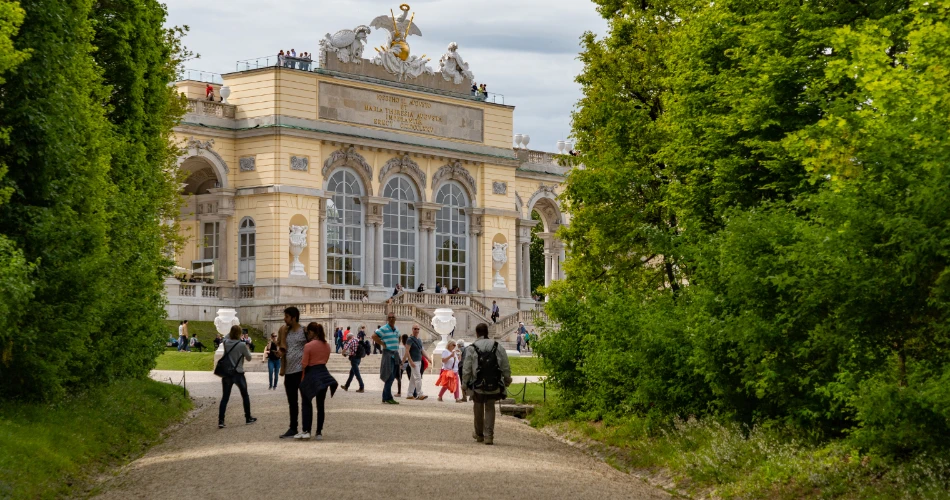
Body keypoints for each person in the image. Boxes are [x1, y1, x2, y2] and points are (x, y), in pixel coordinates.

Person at [463, 323, 512, 444]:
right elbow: (505, 365)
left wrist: (464, 383)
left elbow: (467, 368)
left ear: (477, 333)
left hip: (478, 383)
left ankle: (479, 434)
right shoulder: (497, 347)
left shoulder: (472, 348)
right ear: (487, 333)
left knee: (478, 407)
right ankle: (489, 435)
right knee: (490, 407)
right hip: (494, 382)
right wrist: (507, 379)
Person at [296, 323, 337, 440]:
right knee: (320, 405)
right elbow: (325, 360)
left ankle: (306, 430)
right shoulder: (327, 346)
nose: (308, 335)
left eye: (308, 332)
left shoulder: (308, 346)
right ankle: (319, 432)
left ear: (312, 332)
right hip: (323, 374)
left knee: (306, 402)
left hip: (311, 373)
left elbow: (304, 364)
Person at [277, 306, 307, 439]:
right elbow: (283, 347)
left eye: (287, 317)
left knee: (305, 400)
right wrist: (280, 352)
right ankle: (293, 427)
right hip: (288, 371)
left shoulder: (304, 332)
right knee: (292, 401)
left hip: (301, 371)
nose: (284, 319)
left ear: (294, 318)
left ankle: (306, 428)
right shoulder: (284, 331)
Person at [218, 325, 257, 429]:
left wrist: (231, 332)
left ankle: (221, 420)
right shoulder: (242, 345)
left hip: (227, 373)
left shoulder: (226, 342)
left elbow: (225, 337)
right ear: (240, 334)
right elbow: (249, 358)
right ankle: (248, 417)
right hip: (238, 373)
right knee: (245, 395)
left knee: (225, 397)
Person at [372, 311, 401, 404]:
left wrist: (396, 344)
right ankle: (388, 397)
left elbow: (399, 337)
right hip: (388, 354)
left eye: (393, 317)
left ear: (395, 319)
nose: (391, 319)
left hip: (394, 354)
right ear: (387, 319)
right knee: (390, 376)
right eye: (389, 317)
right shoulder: (384, 328)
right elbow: (374, 336)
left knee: (392, 376)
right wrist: (382, 343)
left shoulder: (396, 329)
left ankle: (385, 396)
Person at [404, 324, 431, 401]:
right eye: (415, 329)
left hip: (419, 361)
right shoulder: (410, 339)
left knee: (413, 378)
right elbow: (407, 351)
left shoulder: (419, 340)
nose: (416, 330)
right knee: (418, 378)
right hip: (414, 361)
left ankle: (409, 394)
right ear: (412, 329)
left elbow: (422, 350)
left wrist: (428, 358)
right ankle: (420, 394)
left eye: (418, 329)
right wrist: (410, 361)